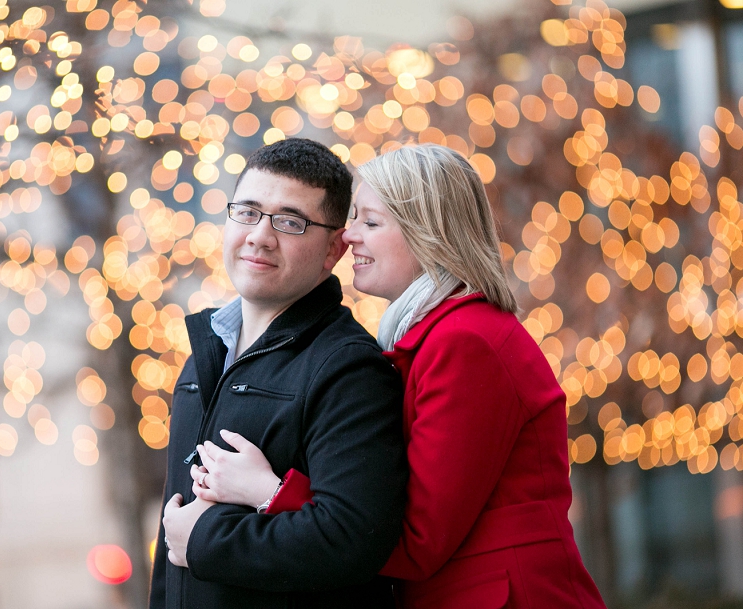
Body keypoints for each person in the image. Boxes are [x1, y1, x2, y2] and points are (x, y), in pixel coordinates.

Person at [190, 144, 608, 609]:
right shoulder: (433, 337)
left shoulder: (466, 343)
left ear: (428, 233)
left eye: (370, 221)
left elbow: (417, 539)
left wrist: (268, 492)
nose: (348, 237)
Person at [150, 138, 408, 609]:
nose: (259, 236)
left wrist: (206, 540)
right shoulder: (201, 358)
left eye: (290, 222)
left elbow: (350, 541)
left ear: (334, 248)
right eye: (247, 212)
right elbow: (173, 540)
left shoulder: (349, 369)